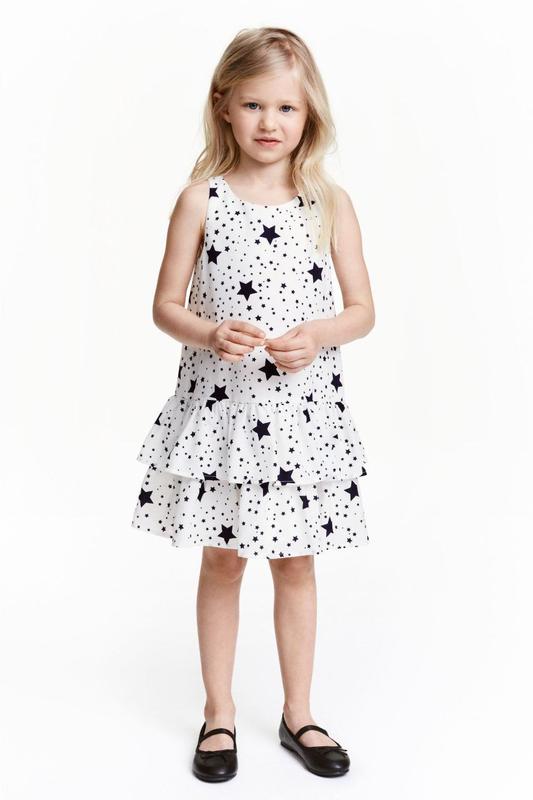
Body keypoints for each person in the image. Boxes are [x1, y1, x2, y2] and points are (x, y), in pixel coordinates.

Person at [131, 26, 375, 782]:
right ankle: (218, 712)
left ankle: (299, 712)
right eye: (253, 105)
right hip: (223, 418)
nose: (270, 122)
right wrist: (209, 331)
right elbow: (165, 306)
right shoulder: (199, 200)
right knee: (224, 560)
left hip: (300, 421)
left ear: (309, 115)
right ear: (223, 106)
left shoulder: (328, 203)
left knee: (296, 564)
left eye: (286, 108)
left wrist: (320, 333)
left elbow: (362, 309)